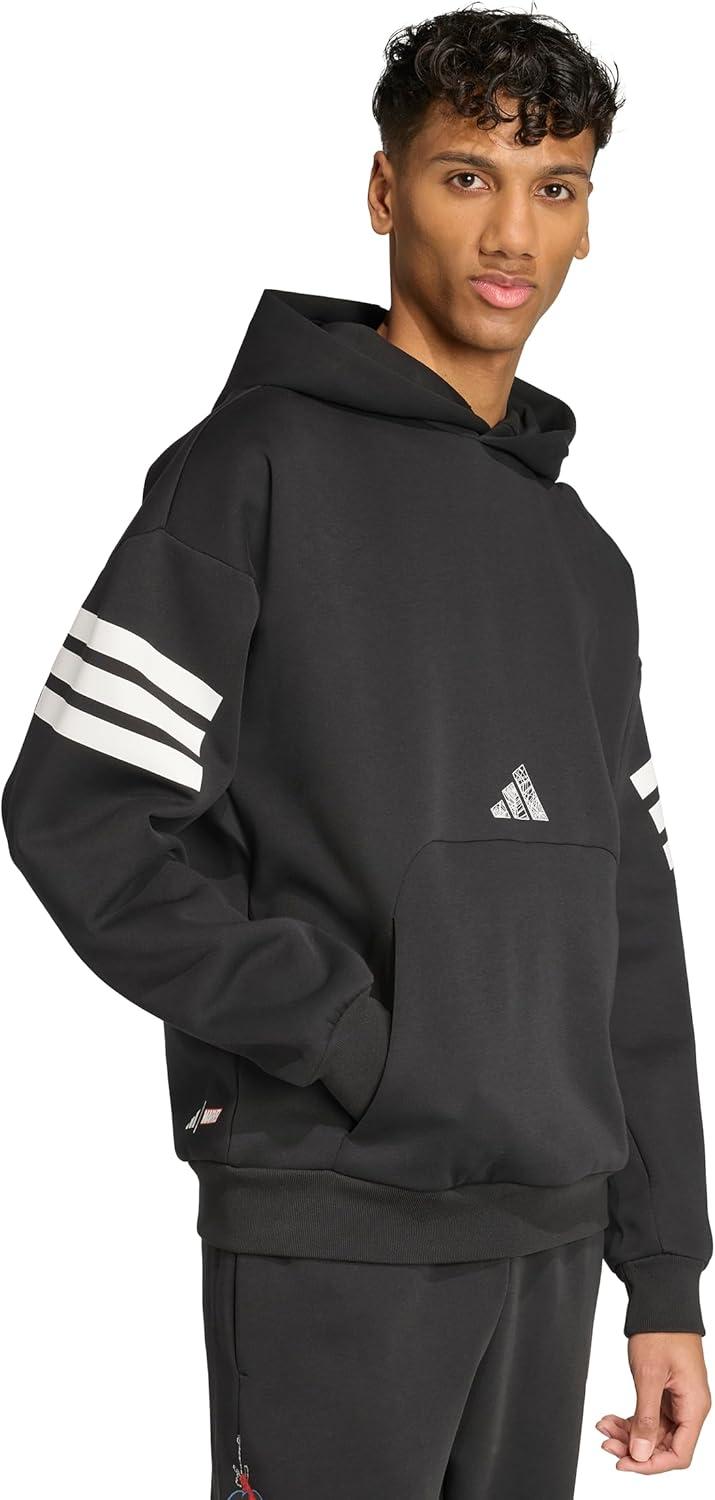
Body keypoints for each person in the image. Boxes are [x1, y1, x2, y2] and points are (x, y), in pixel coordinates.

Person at [2, 6, 712, 1496]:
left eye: (556, 186)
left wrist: (664, 1272)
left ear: (590, 220)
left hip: (550, 1237)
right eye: (467, 177)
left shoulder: (587, 561)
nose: (512, 231)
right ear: (386, 193)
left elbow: (632, 920)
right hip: (334, 1219)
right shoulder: (249, 471)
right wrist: (343, 1041)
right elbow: (78, 811)